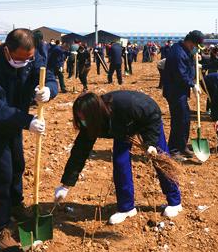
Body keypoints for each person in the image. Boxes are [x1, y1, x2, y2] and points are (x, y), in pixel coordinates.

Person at [0, 28, 58, 249]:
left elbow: (47, 75)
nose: (24, 63)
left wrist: (49, 89)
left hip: (15, 123)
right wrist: (26, 120)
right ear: (7, 50)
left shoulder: (33, 55)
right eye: (19, 59)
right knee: (0, 174)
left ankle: (16, 206)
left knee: (17, 166)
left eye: (27, 59)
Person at [54, 91, 182, 225]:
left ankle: (175, 201)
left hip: (146, 118)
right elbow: (79, 153)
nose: (82, 122)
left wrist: (151, 143)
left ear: (94, 114)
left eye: (84, 118)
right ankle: (126, 207)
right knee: (120, 162)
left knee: (160, 158)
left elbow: (153, 114)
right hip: (122, 128)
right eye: (80, 119)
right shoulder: (91, 122)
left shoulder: (128, 105)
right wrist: (65, 185)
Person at [162, 30, 204, 159]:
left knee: (185, 119)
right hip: (175, 91)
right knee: (179, 120)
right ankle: (174, 150)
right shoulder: (177, 53)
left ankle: (182, 146)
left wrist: (195, 59)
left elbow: (187, 66)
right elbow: (180, 74)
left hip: (181, 91)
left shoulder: (184, 50)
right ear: (190, 42)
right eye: (195, 46)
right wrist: (192, 84)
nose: (196, 49)